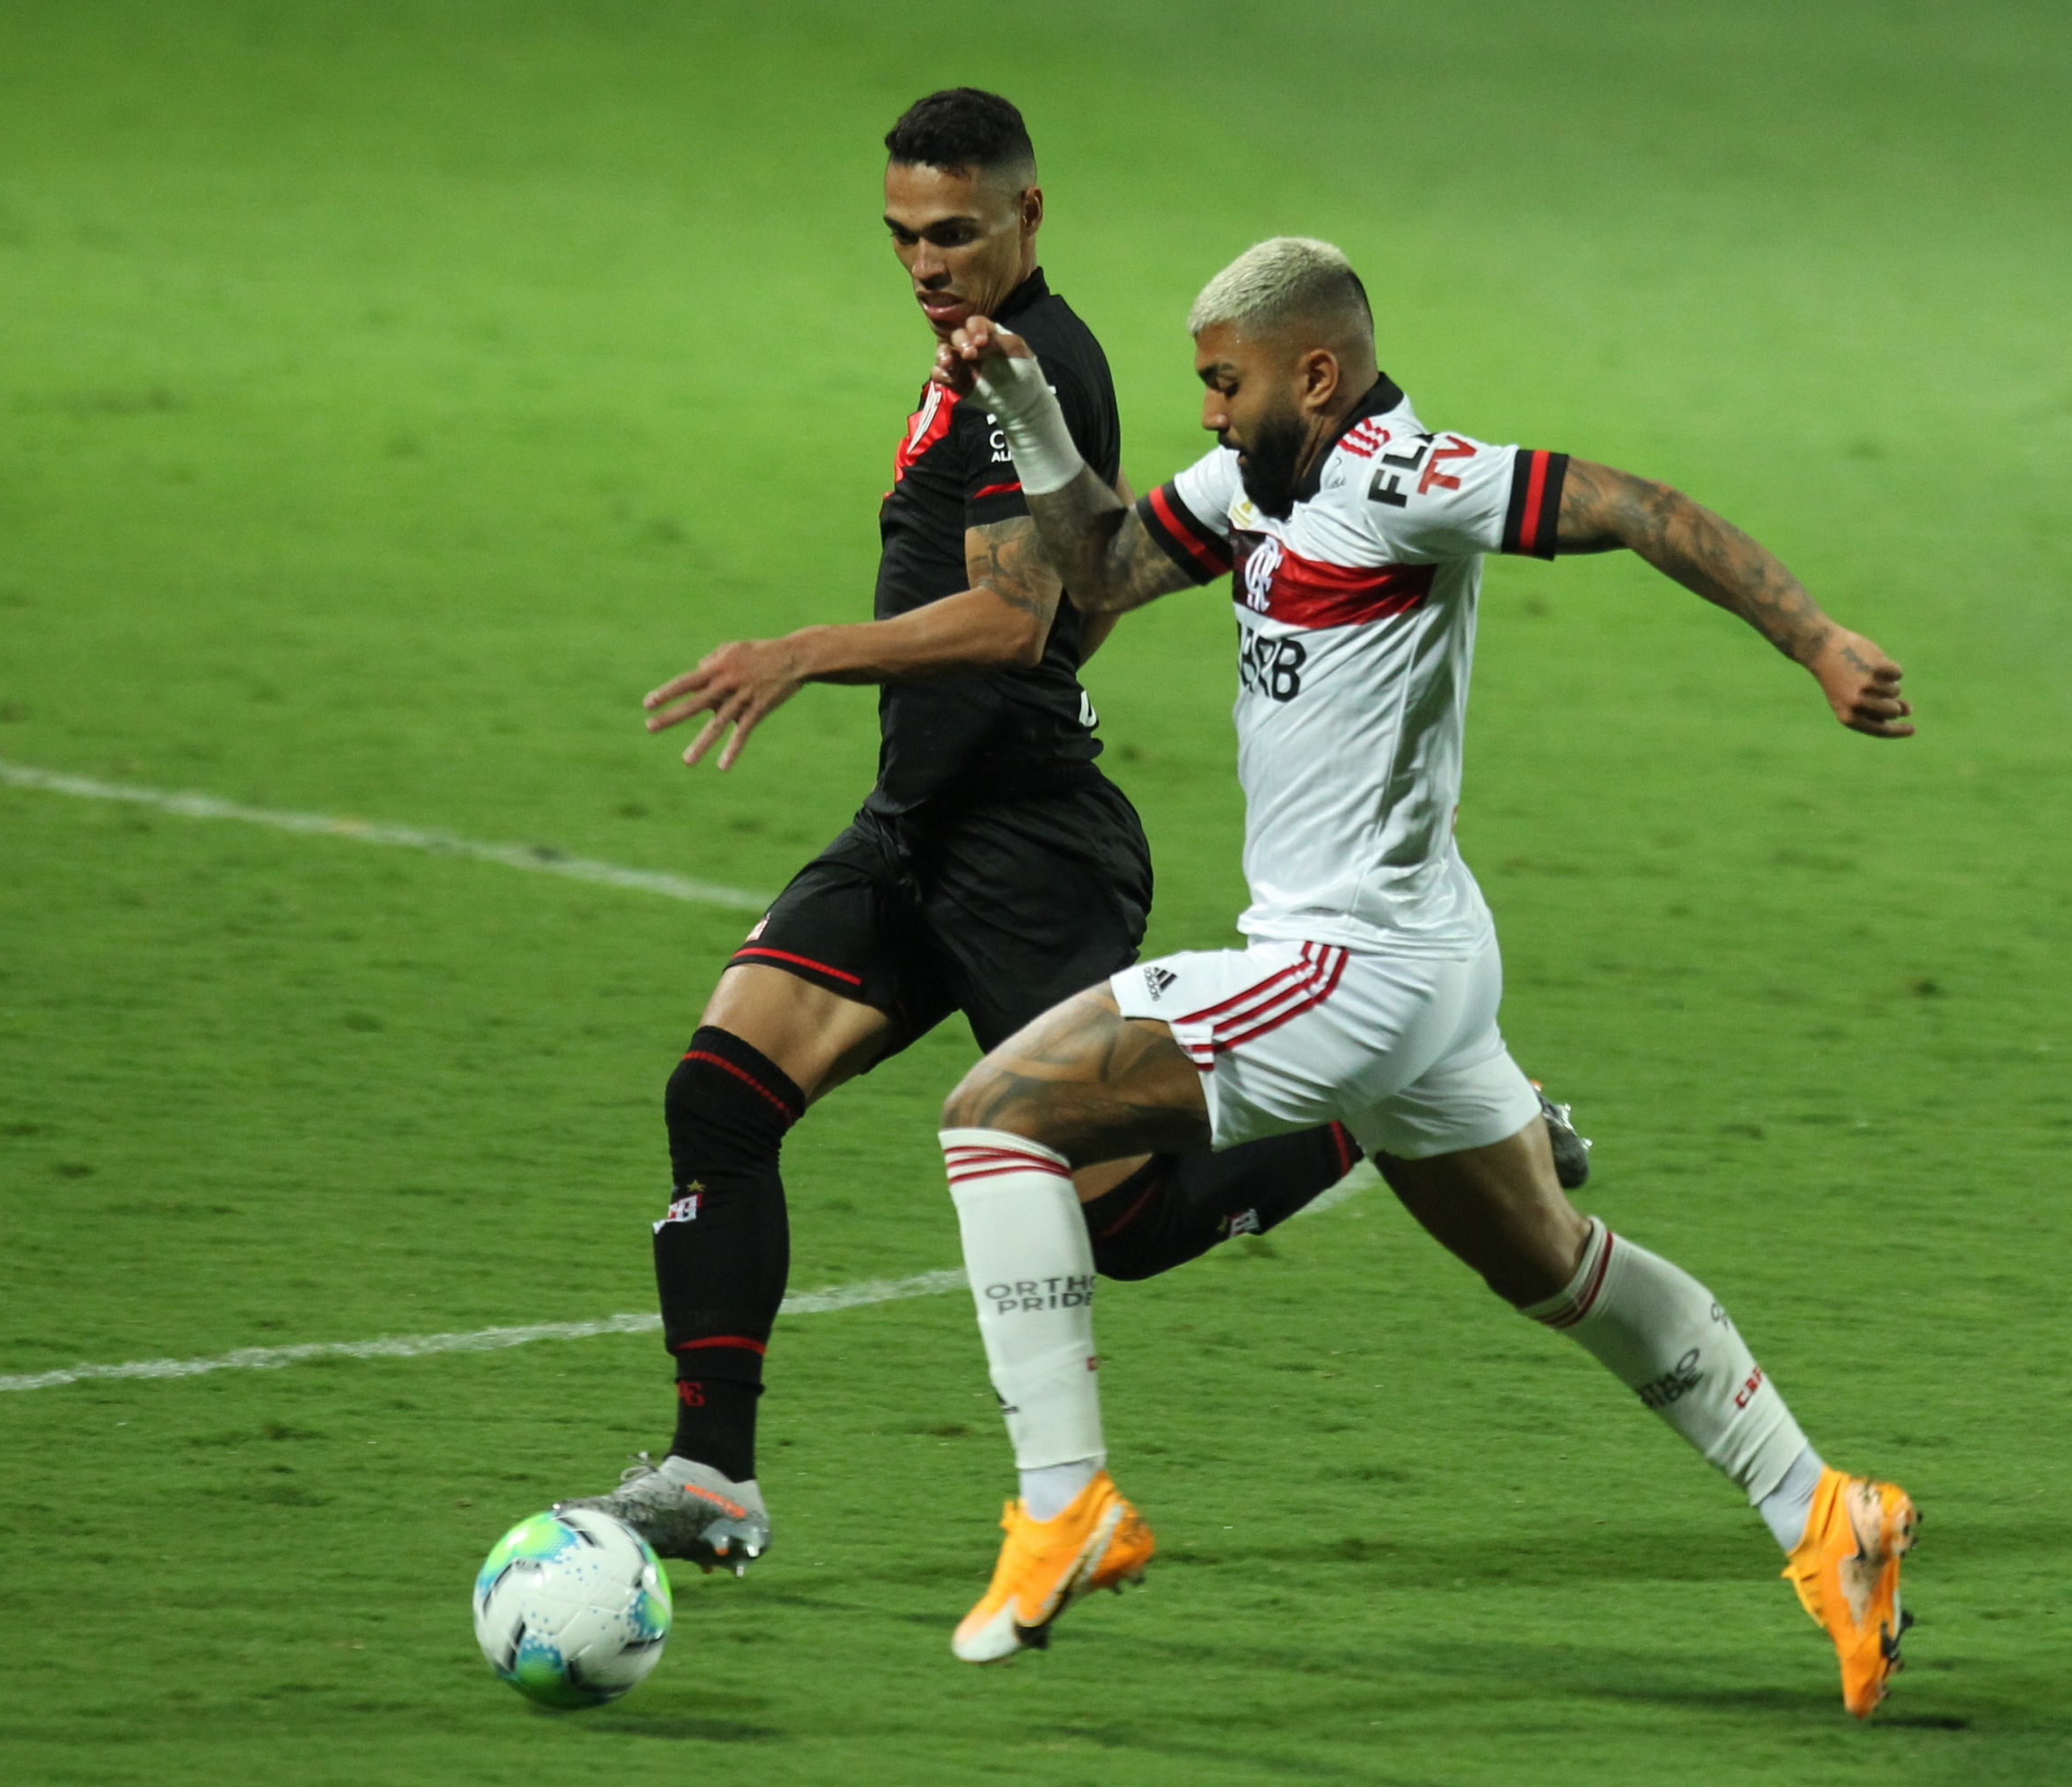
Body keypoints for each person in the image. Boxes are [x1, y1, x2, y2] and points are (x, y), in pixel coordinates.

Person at [559, 97, 1589, 1578]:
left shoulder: (1054, 367)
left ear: (1029, 218)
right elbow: (1096, 590)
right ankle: (713, 1477)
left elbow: (1017, 618)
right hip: (919, 822)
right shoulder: (964, 361)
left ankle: (1399, 1100)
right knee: (719, 1094)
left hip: (1029, 841)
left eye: (956, 232)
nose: (926, 261)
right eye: (905, 234)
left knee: (1131, 1221)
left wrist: (802, 650)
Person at [926, 237, 1921, 1717]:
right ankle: (1823, 1512)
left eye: (1225, 381)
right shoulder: (1260, 483)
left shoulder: (1409, 477)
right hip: (1432, 957)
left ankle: (1064, 1502)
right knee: (1554, 1264)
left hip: (1347, 967)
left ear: (1312, 373)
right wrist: (1032, 419)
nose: (1206, 411)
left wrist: (1819, 640)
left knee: (998, 1115)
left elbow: (1636, 508)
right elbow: (1103, 573)